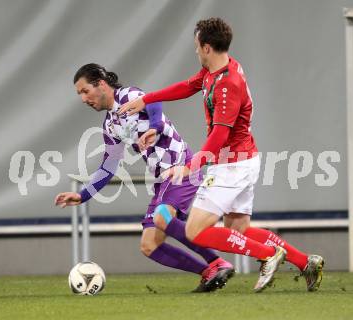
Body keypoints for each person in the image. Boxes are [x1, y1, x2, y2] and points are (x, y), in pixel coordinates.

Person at [119, 18, 324, 292]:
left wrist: (190, 166)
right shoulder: (218, 70)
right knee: (239, 230)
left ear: (206, 47)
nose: (195, 52)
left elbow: (220, 136)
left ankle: (268, 254)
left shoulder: (228, 85)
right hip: (243, 160)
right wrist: (147, 99)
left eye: (196, 47)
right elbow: (188, 86)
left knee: (195, 231)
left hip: (232, 164)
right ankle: (305, 262)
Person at [54, 63, 234, 292]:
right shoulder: (110, 124)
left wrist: (156, 127)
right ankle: (209, 272)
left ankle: (218, 262)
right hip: (162, 179)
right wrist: (83, 195)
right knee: (149, 245)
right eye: (79, 94)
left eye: (84, 91)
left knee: (161, 217)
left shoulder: (127, 95)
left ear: (101, 84)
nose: (82, 99)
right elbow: (109, 166)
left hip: (181, 166)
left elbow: (153, 100)